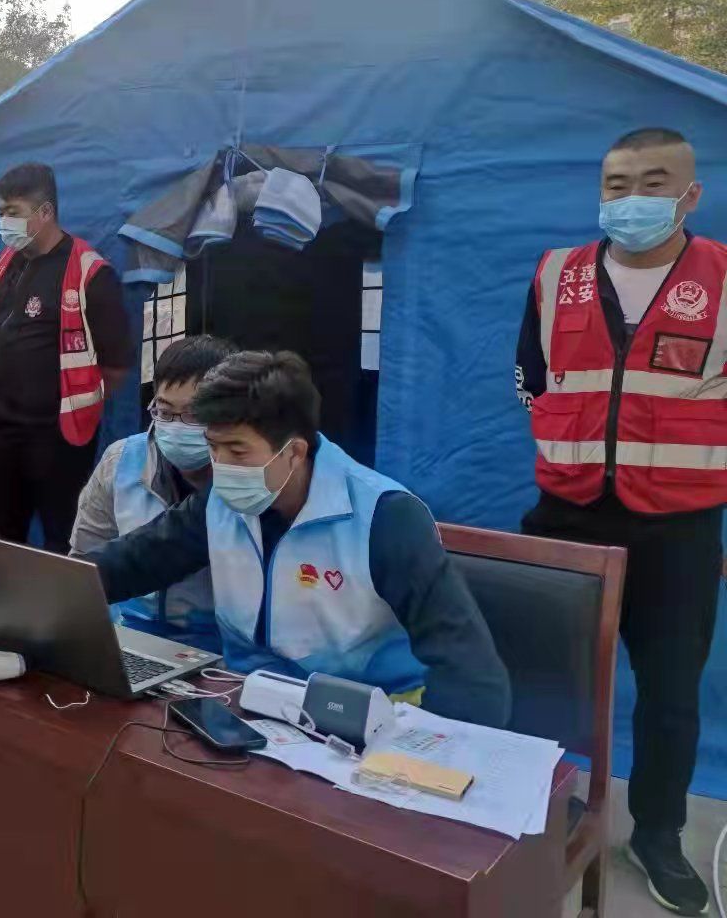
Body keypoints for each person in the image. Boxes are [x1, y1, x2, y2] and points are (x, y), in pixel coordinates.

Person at [516, 127, 725, 915]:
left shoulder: (724, 278)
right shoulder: (556, 274)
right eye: (617, 184)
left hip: (680, 530)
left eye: (653, 182)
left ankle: (658, 834)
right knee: (544, 675)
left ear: (690, 194)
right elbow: (531, 376)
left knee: (670, 692)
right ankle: (547, 807)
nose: (633, 198)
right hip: (566, 516)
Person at [90, 350, 510, 727]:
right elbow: (138, 559)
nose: (220, 466)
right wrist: (65, 587)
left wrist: (424, 757)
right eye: (213, 448)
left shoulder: (385, 518)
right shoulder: (220, 504)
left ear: (294, 452)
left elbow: (470, 672)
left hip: (370, 717)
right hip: (252, 704)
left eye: (237, 452)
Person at [0, 162, 133, 553]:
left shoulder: (89, 273)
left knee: (64, 539)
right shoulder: (5, 263)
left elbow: (115, 366)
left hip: (57, 438)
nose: (4, 223)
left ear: (45, 212)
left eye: (13, 212)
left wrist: (72, 404)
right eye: (0, 213)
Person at [70, 335, 236, 650]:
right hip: (129, 634)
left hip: (219, 648)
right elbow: (84, 559)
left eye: (194, 415)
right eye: (165, 412)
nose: (177, 426)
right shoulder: (121, 461)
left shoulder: (244, 479)